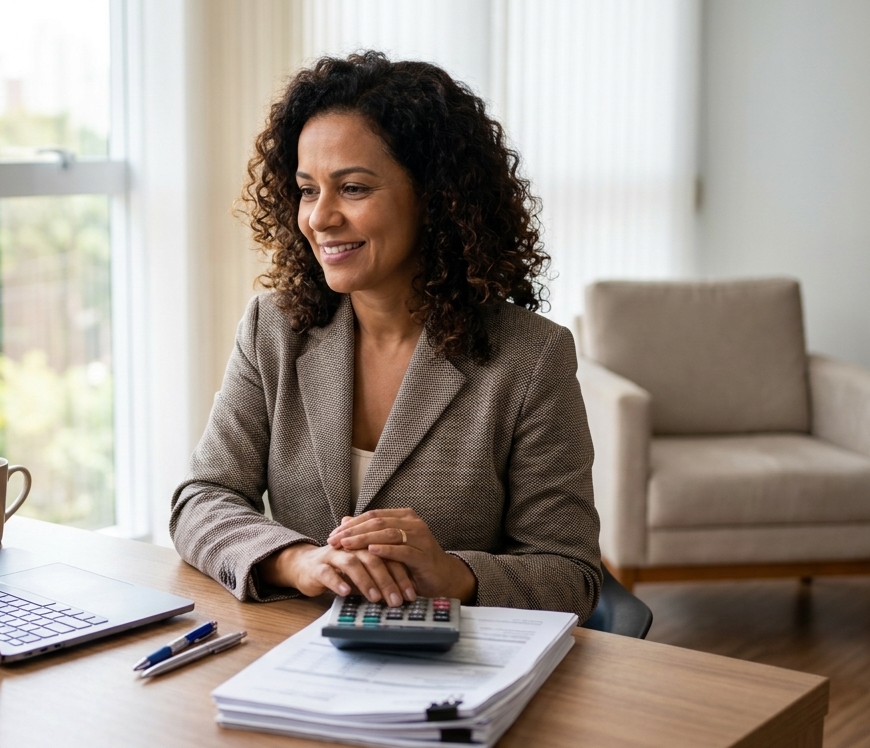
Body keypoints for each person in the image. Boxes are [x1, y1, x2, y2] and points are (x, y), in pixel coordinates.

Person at [170, 51, 602, 620]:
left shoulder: (531, 357)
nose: (319, 218)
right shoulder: (272, 327)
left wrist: (455, 573)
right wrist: (299, 561)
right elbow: (203, 500)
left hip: (455, 672)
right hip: (293, 656)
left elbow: (570, 572)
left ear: (436, 198)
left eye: (351, 188)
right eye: (306, 190)